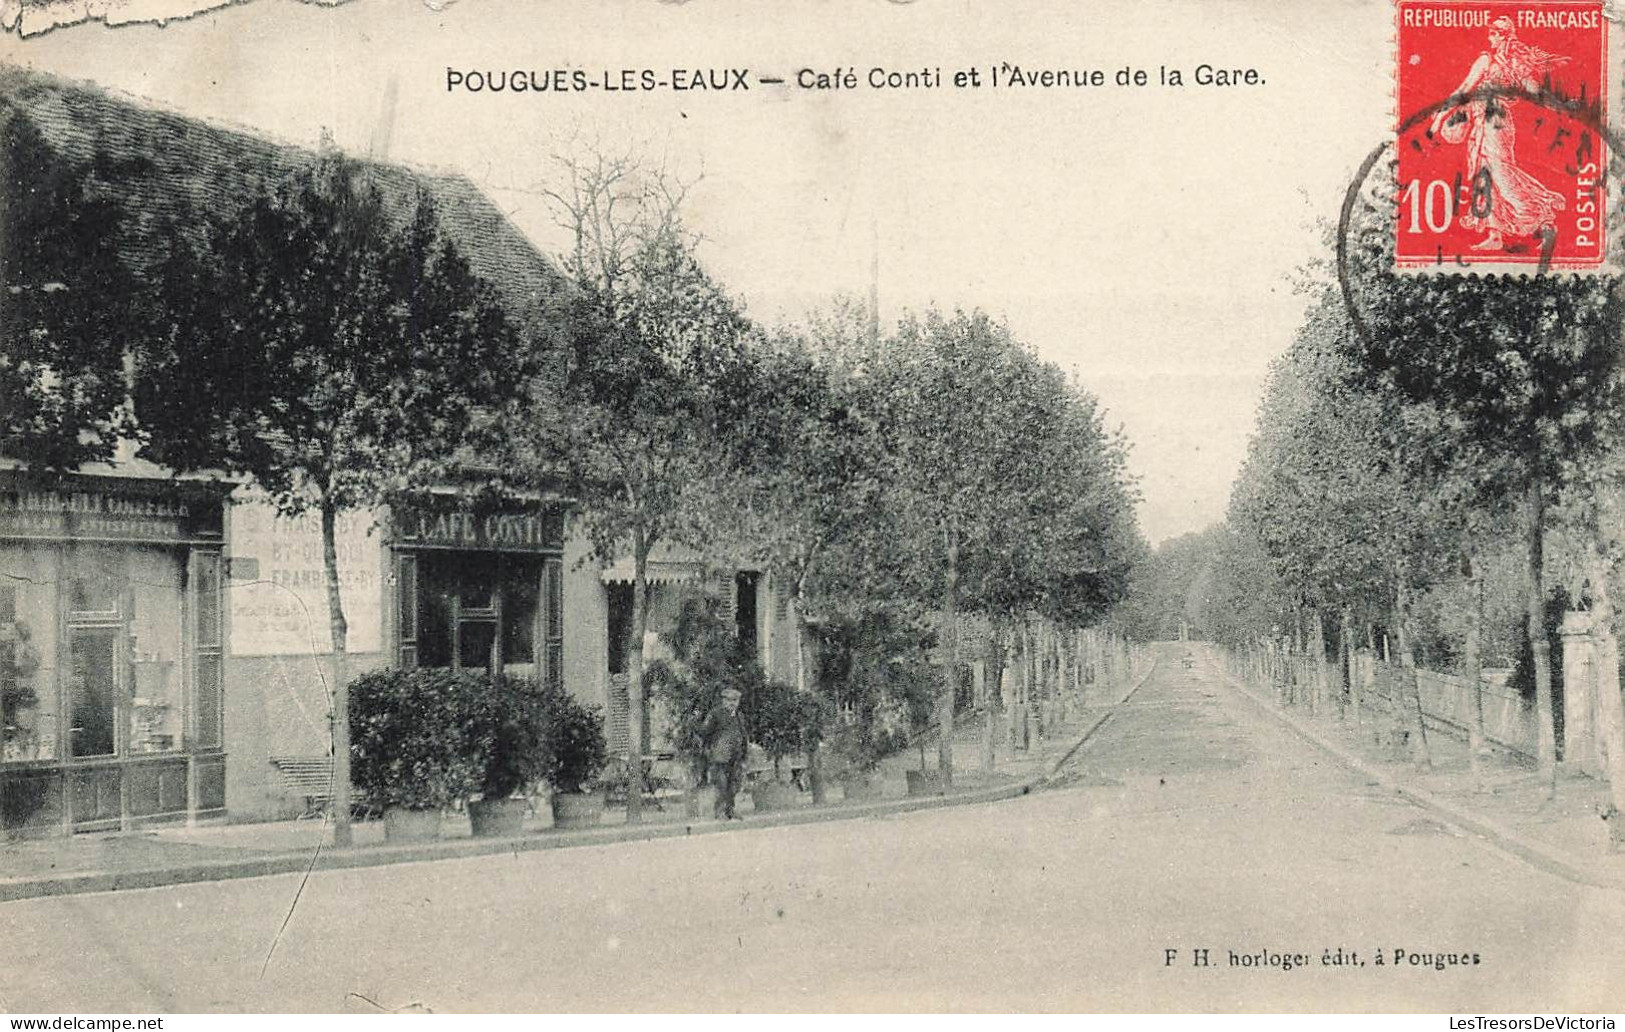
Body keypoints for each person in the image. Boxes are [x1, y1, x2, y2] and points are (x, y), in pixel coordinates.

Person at [1429, 17, 1569, 251]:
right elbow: (1464, 89)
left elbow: (1536, 92)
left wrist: (1562, 106)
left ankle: (1543, 216)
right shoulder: (1487, 59)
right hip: (1480, 122)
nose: (1489, 38)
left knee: (1502, 175)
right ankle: (1495, 236)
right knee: (1482, 174)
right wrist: (1442, 115)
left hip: (1497, 123)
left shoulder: (1514, 64)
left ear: (1503, 36)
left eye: (1493, 34)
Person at [699, 687, 748, 820]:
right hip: (720, 756)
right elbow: (705, 732)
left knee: (734, 784)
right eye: (729, 700)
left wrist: (744, 753)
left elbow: (743, 735)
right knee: (721, 783)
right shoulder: (715, 714)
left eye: (735, 700)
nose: (732, 703)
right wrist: (711, 748)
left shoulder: (739, 716)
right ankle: (720, 811)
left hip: (735, 756)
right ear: (723, 701)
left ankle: (730, 810)